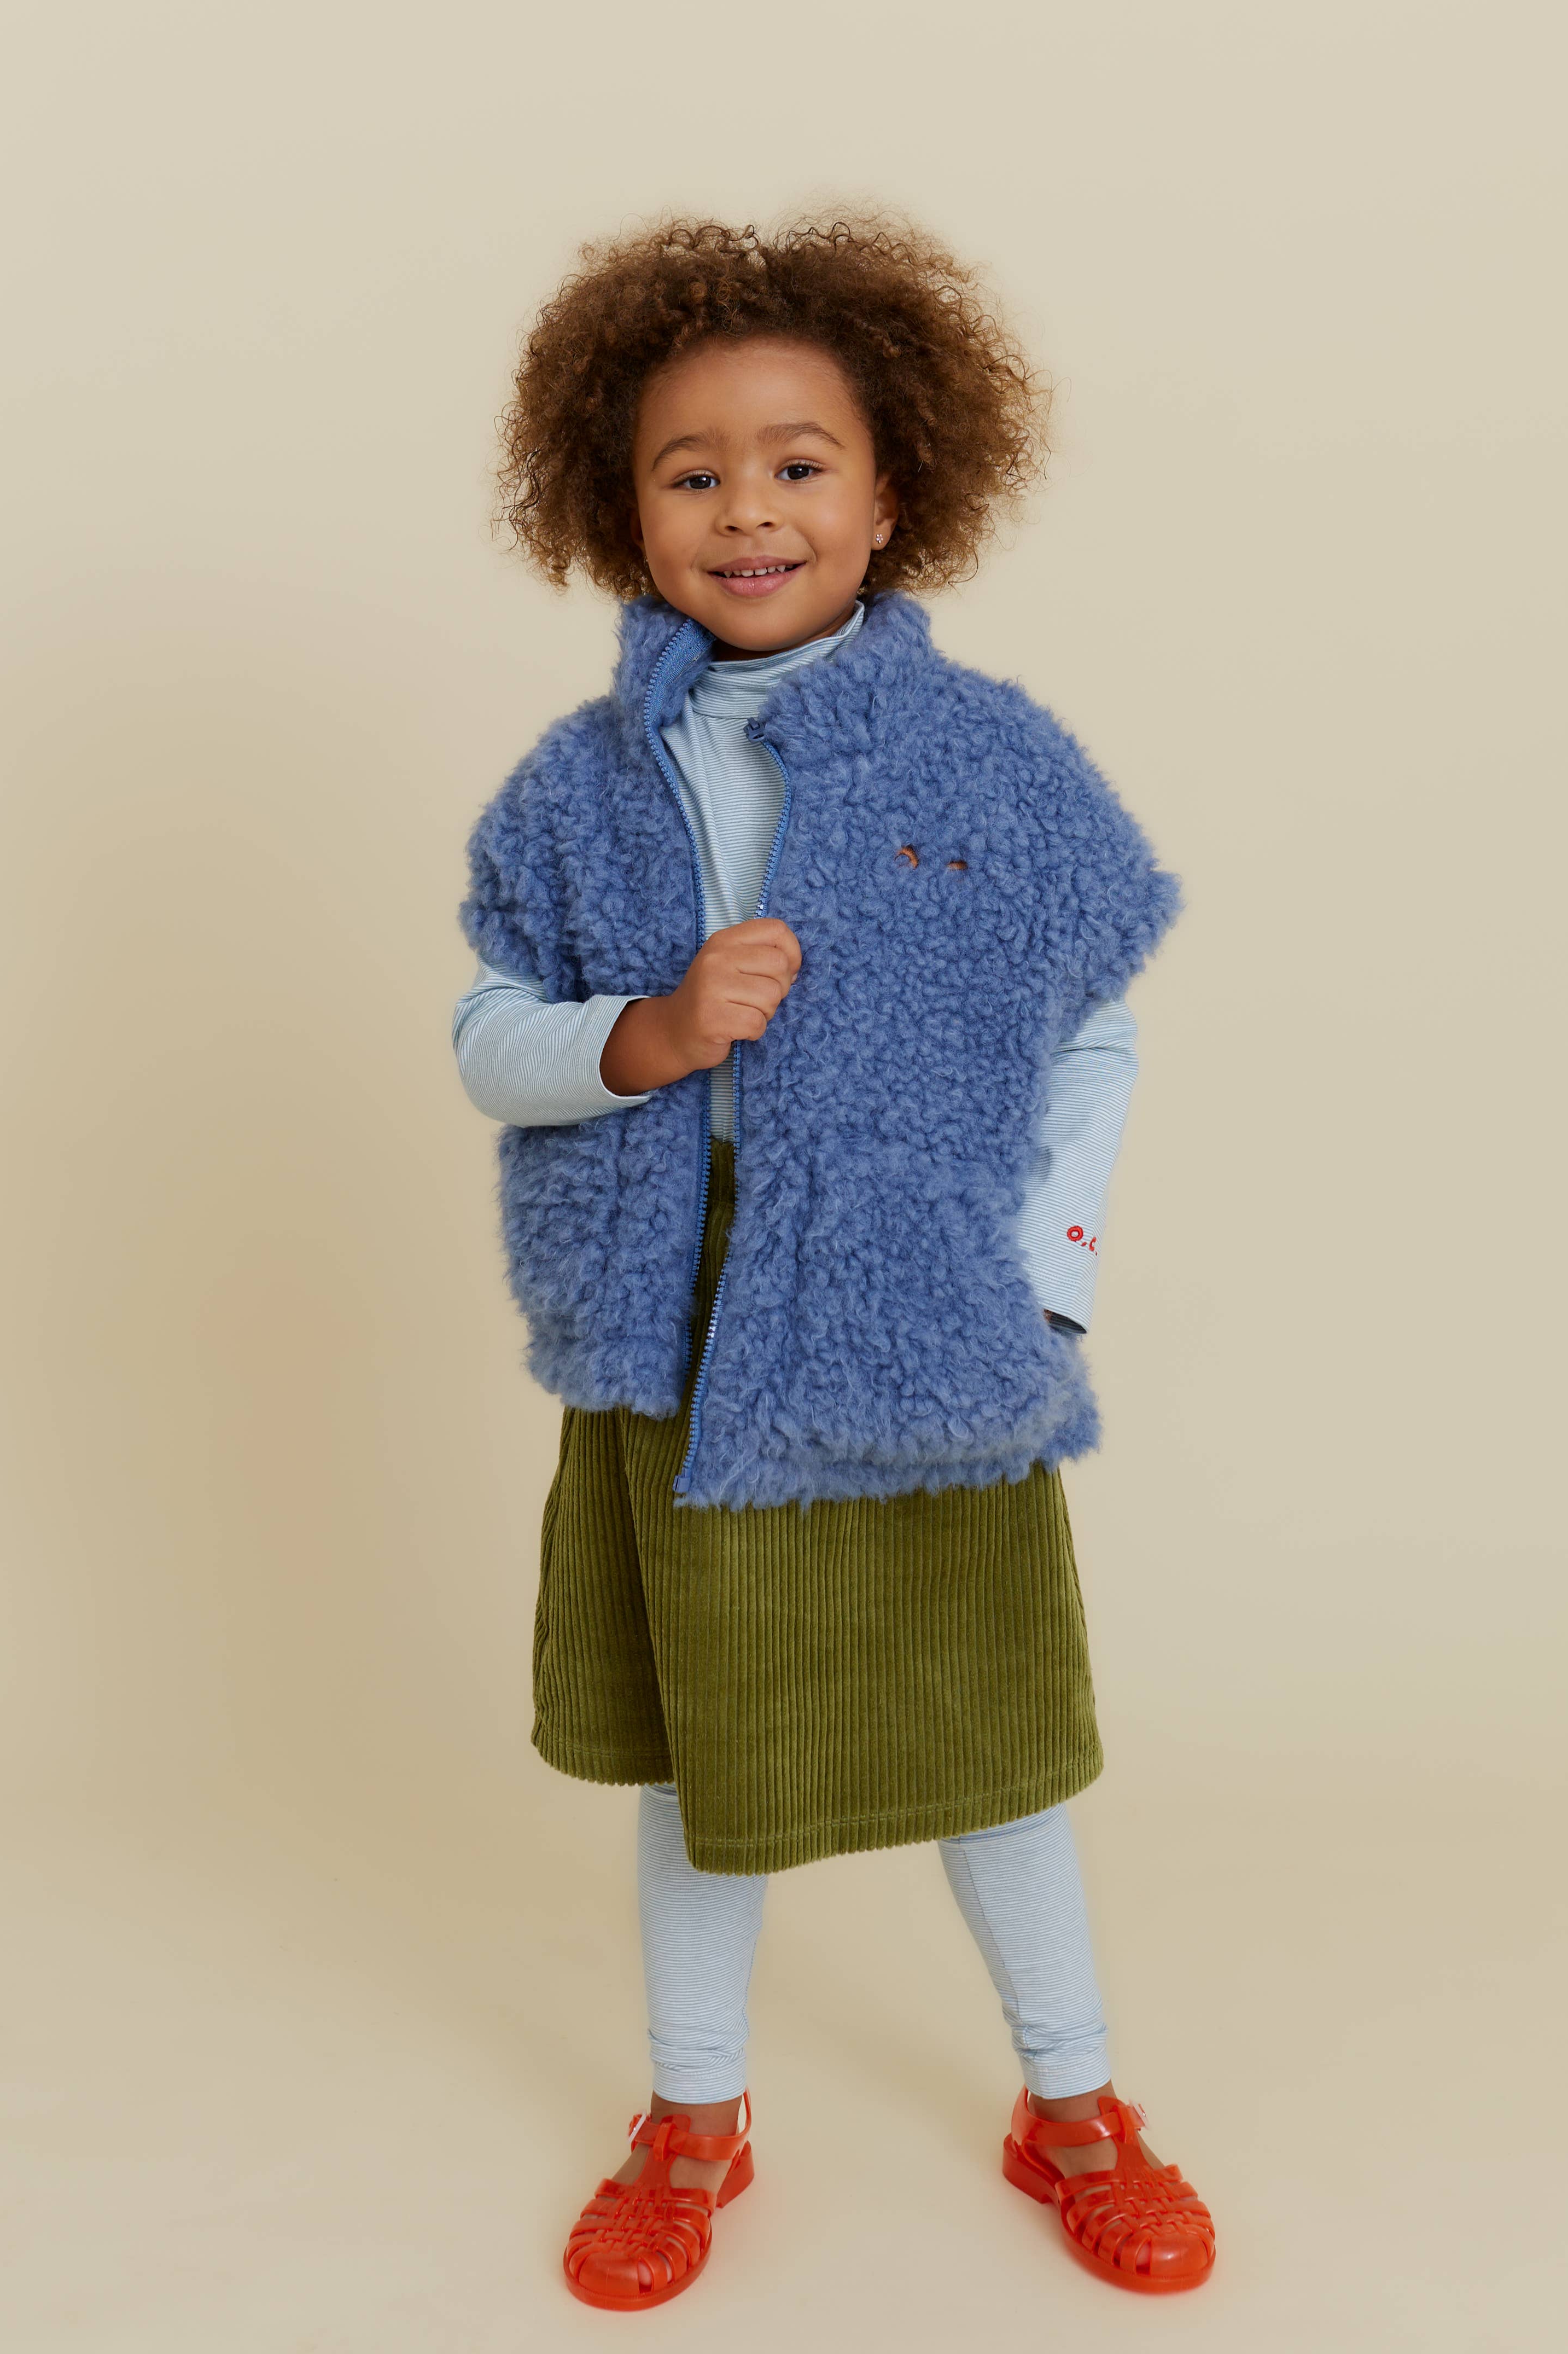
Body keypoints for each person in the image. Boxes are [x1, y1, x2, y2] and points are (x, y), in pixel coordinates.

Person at [452, 215, 1214, 2308]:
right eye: (692, 471)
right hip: (681, 1323)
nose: (748, 508)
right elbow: (491, 1035)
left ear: (895, 492)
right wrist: (646, 1033)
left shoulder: (992, 763)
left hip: (918, 1305)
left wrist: (1041, 1285)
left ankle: (1075, 2103)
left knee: (992, 1742)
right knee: (708, 1761)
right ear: (618, 506)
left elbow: (1091, 1031)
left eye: (800, 463)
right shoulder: (580, 788)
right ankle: (692, 2119)